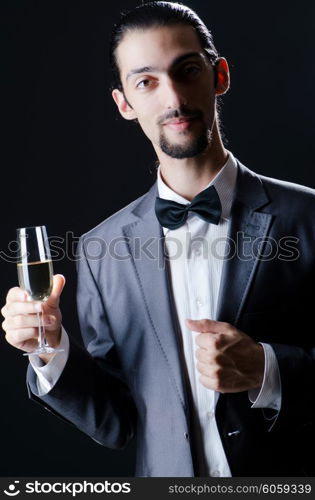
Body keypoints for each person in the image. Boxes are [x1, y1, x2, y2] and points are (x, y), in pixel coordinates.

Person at [1, 1, 315, 477]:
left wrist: (266, 369)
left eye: (187, 70)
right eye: (146, 81)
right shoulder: (100, 250)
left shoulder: (309, 215)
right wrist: (49, 350)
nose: (173, 97)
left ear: (220, 76)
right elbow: (117, 421)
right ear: (125, 103)